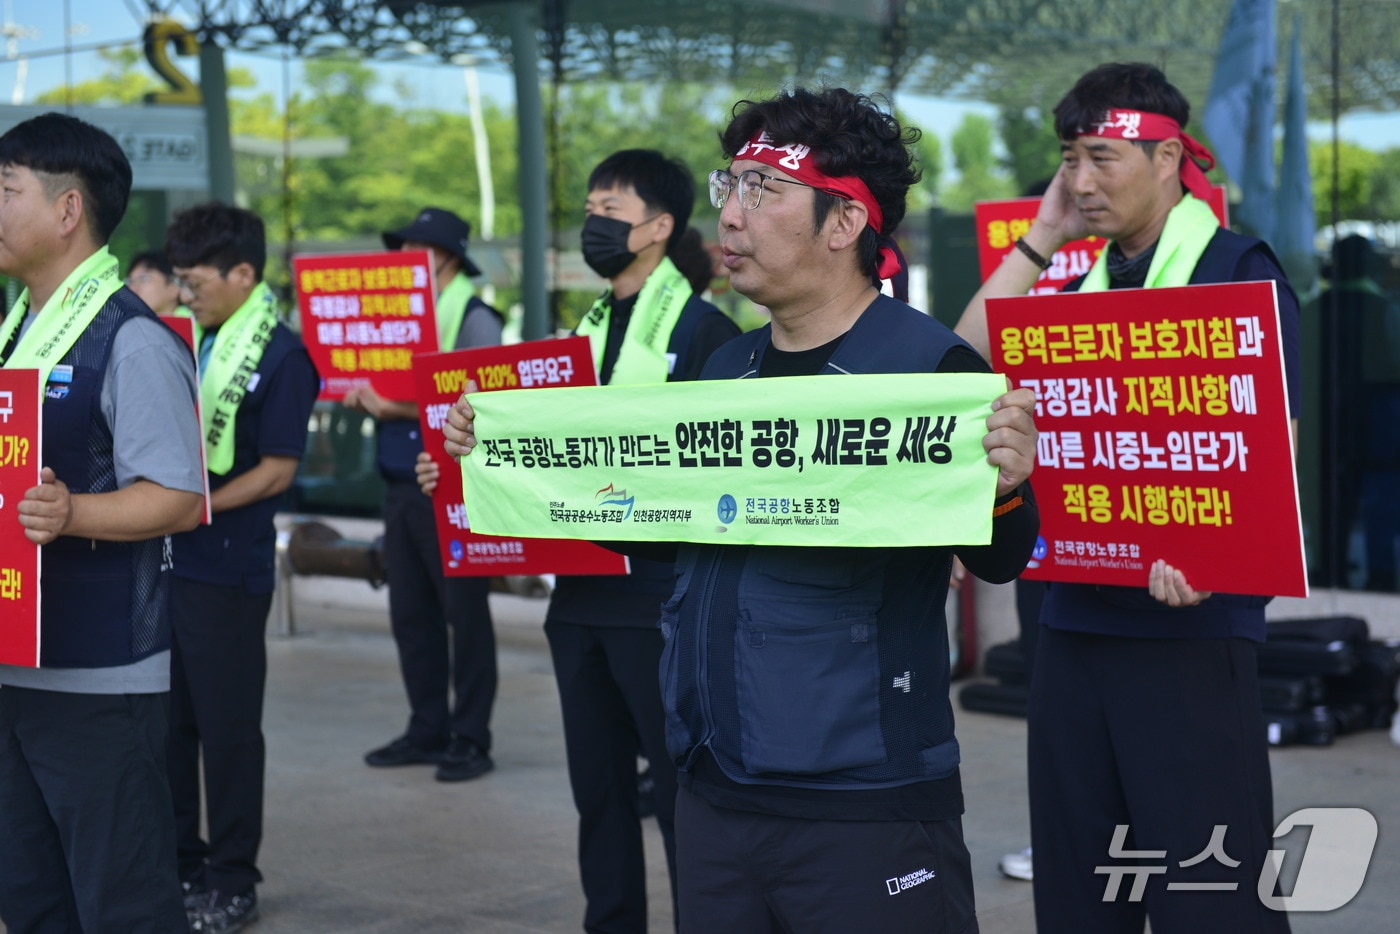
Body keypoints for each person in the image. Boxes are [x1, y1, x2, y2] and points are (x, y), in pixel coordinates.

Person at [444, 94, 1038, 933]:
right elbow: (664, 530)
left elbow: (1005, 555)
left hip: (862, 801)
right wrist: (503, 452)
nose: (730, 212)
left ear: (843, 223)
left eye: (762, 189)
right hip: (713, 785)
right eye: (732, 183)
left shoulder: (926, 367)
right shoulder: (728, 367)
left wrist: (1009, 480)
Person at [955, 62, 1300, 934]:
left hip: (1189, 626)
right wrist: (1041, 237)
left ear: (1170, 158)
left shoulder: (1235, 268)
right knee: (1083, 886)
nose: (1081, 181)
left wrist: (1221, 562)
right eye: (1070, 159)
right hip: (1074, 623)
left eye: (1102, 157)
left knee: (1207, 890)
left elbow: (1275, 452)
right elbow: (953, 363)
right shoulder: (1074, 289)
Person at [423, 149, 740, 933]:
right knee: (596, 794)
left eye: (612, 211)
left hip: (660, 599)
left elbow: (712, 466)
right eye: (591, 209)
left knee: (677, 796)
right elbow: (543, 454)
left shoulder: (707, 334)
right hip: (580, 599)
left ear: (660, 228)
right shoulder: (578, 335)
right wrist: (461, 471)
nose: (595, 225)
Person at [0, 112, 205, 933]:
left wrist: (74, 510)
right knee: (31, 895)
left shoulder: (131, 340)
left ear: (66, 209)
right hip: (16, 662)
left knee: (121, 901)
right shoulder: (18, 330)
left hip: (96, 676)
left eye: (4, 191)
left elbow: (180, 498)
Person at [164, 203, 320, 932]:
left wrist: (195, 508)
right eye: (181, 283)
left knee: (227, 732)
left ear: (243, 274)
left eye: (196, 283)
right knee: (171, 728)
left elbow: (278, 471)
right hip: (172, 563)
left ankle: (232, 879)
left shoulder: (281, 355)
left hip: (228, 568)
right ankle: (181, 865)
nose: (186, 295)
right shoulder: (197, 341)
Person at [347, 207, 503, 783]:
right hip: (401, 485)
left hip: (453, 489)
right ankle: (427, 727)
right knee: (410, 614)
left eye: (417, 248)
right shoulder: (396, 319)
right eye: (401, 247)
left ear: (447, 258)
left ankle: (471, 736)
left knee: (465, 615)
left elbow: (483, 398)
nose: (403, 259)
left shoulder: (474, 315)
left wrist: (396, 407)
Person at [126, 248, 184, 315]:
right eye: (130, 282)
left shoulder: (195, 323)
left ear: (173, 286)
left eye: (143, 279)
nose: (132, 289)